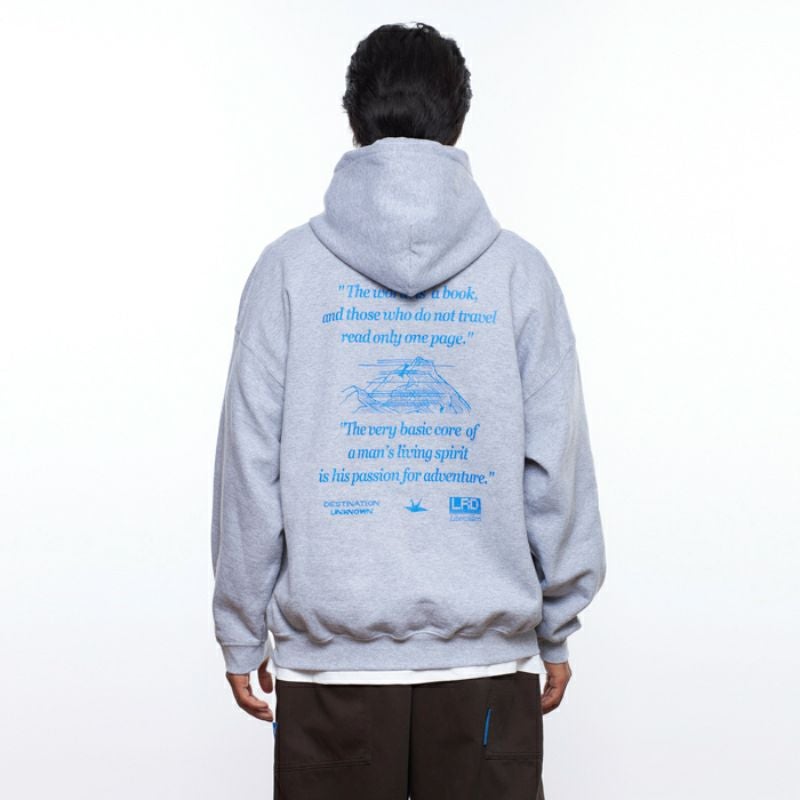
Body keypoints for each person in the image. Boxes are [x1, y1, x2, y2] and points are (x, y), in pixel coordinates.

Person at [211, 21, 607, 800]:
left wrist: (239, 625)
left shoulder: (287, 271)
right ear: (458, 118)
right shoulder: (519, 275)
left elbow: (250, 465)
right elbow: (556, 468)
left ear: (353, 115)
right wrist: (558, 622)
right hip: (487, 672)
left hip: (332, 674)